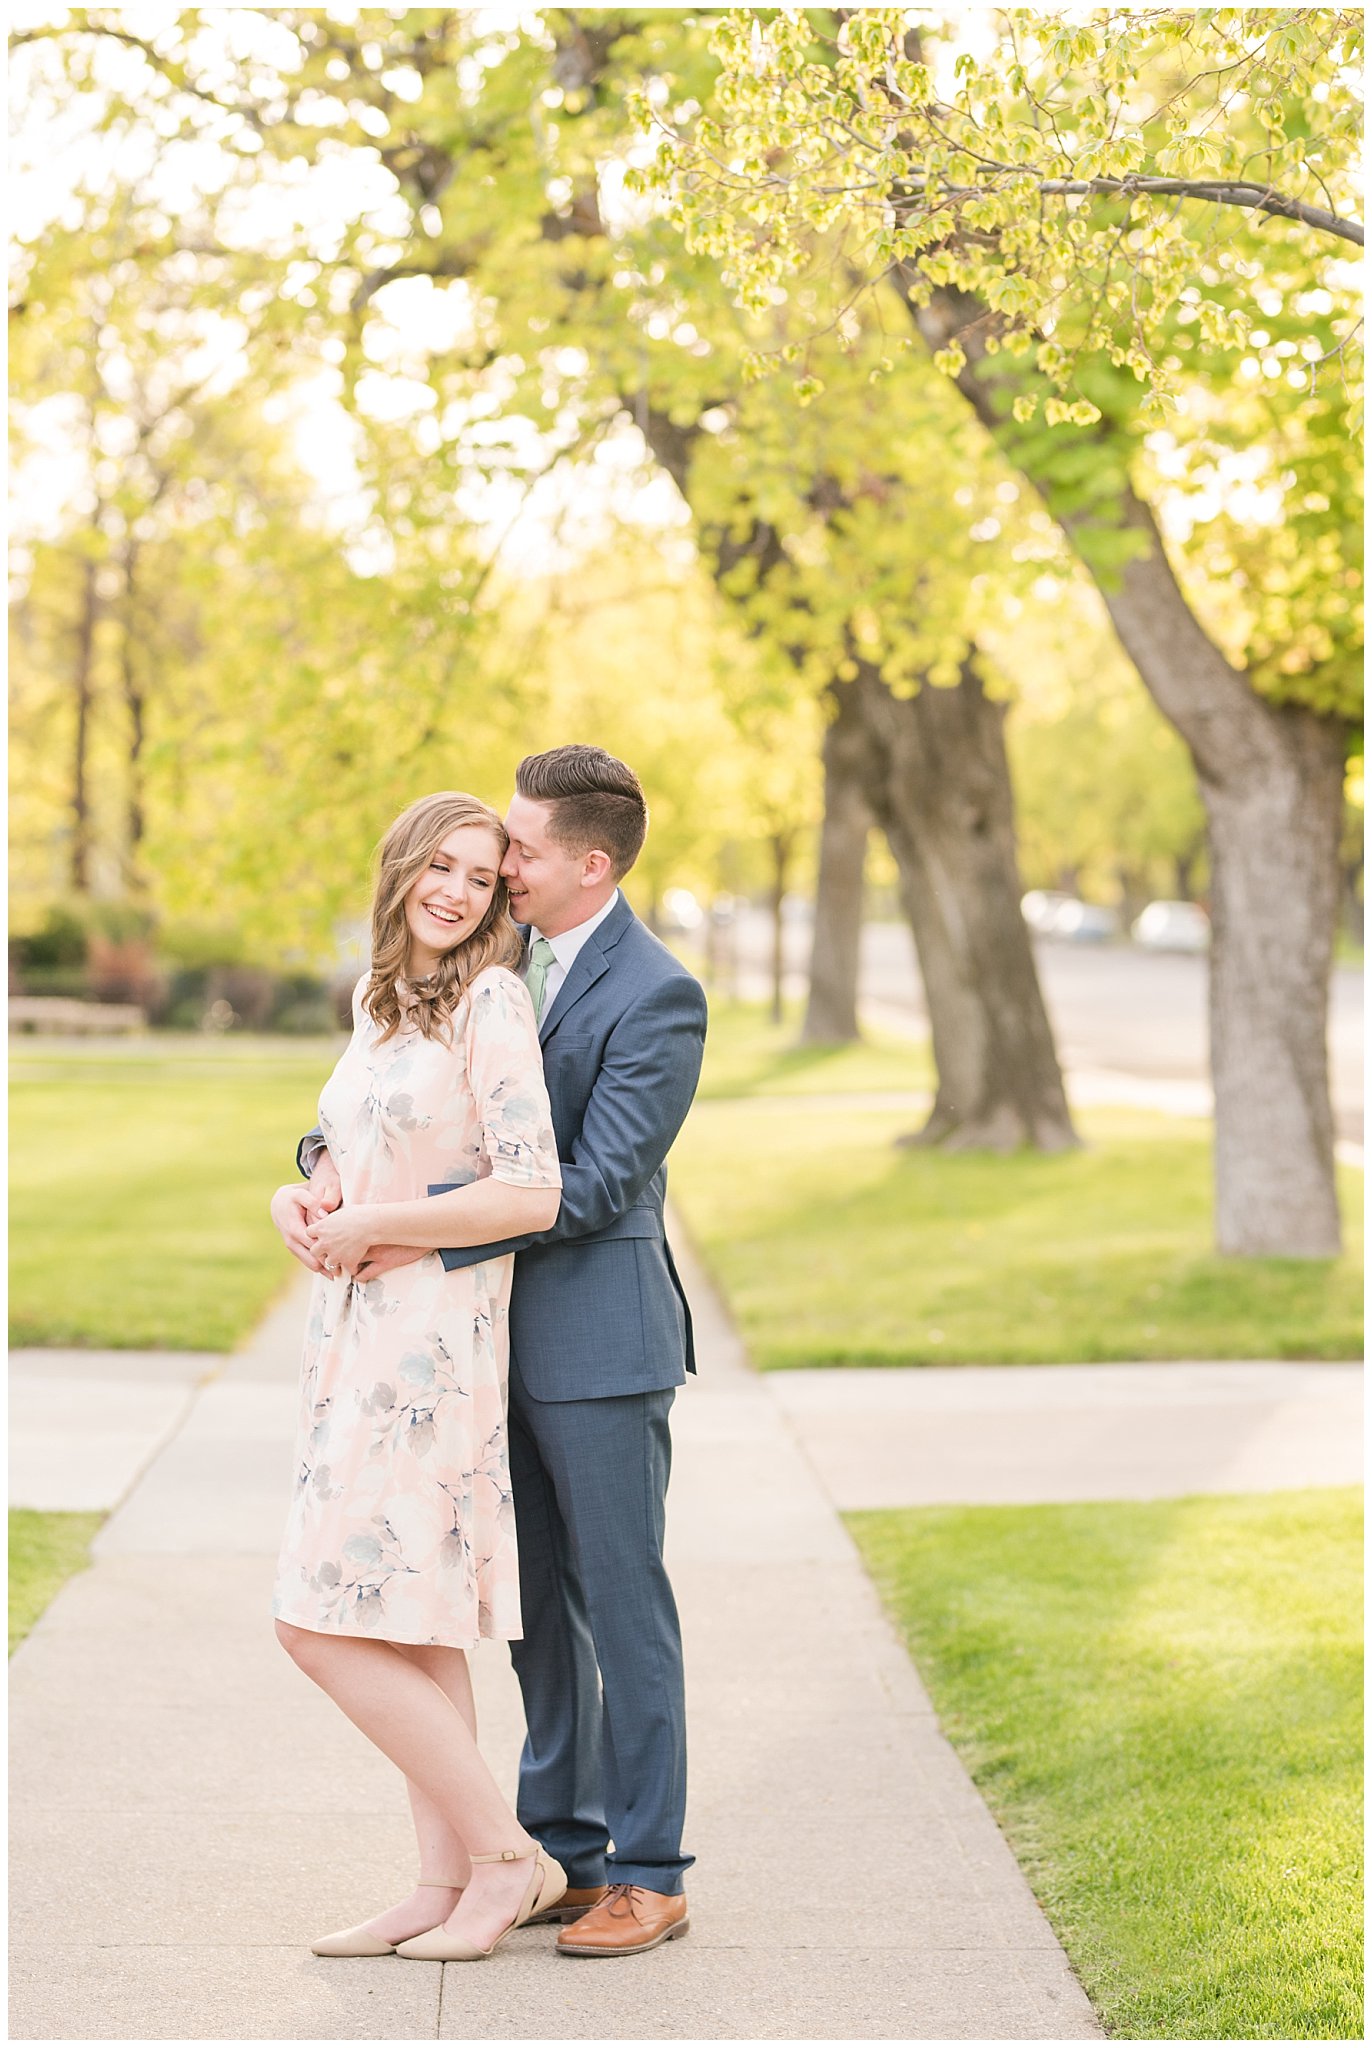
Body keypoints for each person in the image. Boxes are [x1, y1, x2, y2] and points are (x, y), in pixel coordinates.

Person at [273, 745, 708, 1958]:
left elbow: (590, 1178)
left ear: (589, 861)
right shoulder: (491, 955)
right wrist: (319, 1175)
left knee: (623, 1605)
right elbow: (398, 1090)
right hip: (476, 1338)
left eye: (515, 850)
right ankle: (551, 1846)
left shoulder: (653, 989)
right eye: (482, 849)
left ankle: (650, 1865)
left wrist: (397, 1230)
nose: (496, 869)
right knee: (529, 1619)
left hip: (591, 1335)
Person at [271, 790, 568, 1964]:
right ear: (400, 867)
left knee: (316, 1624)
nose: (455, 889)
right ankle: (442, 1881)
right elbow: (346, 1142)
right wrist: (302, 1194)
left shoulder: (491, 1001)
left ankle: (509, 1856)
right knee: (417, 1625)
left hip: (429, 1348)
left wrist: (384, 1218)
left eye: (481, 877)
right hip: (353, 1337)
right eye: (438, 865)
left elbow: (531, 1188)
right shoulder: (380, 999)